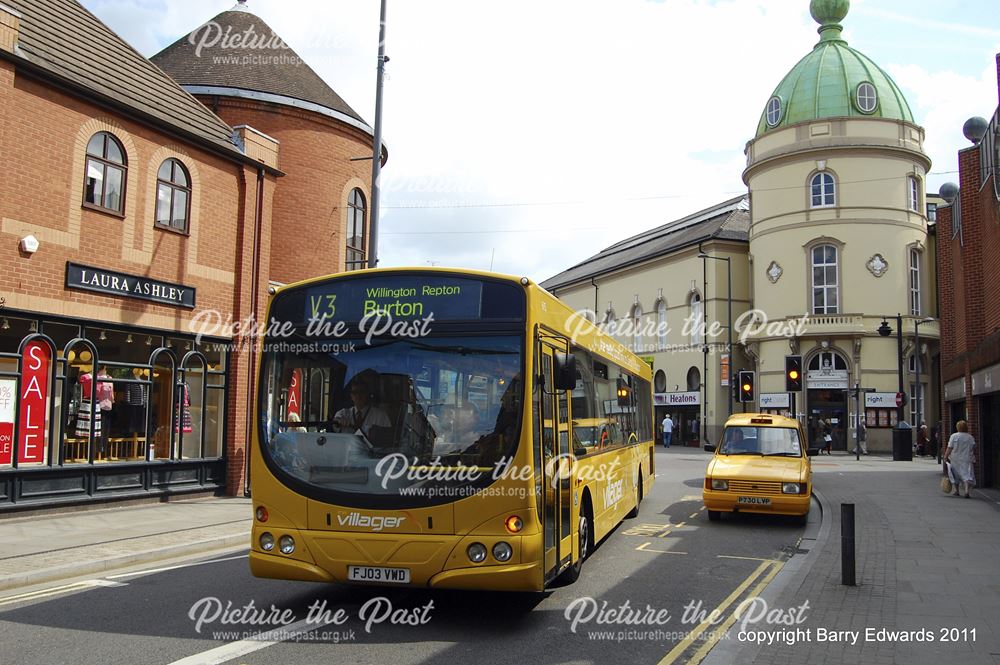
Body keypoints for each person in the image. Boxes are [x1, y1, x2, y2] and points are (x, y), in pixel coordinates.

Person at [333, 374, 391, 443]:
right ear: (351, 396)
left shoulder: (381, 416)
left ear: (367, 394)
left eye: (361, 392)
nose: (358, 395)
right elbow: (335, 423)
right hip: (347, 452)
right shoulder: (344, 413)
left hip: (373, 452)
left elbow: (387, 438)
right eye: (355, 392)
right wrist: (338, 421)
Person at [943, 420, 976, 498]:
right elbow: (973, 447)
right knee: (966, 474)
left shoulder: (954, 436)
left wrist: (945, 456)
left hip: (955, 458)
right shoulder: (970, 437)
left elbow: (950, 447)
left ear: (957, 427)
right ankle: (967, 491)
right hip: (967, 458)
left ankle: (957, 491)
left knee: (955, 475)